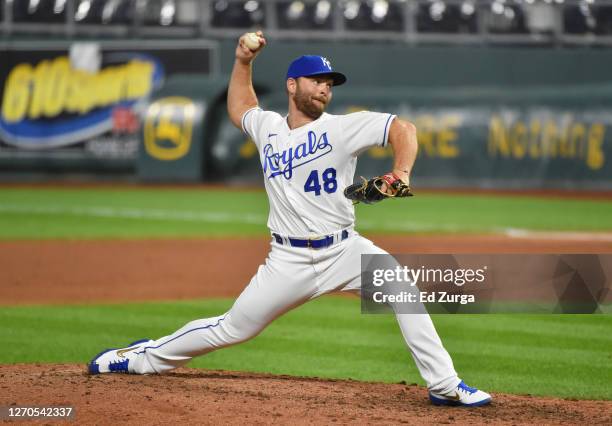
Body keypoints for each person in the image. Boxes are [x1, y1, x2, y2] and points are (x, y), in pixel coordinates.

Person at [88, 32, 492, 407]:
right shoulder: (267, 128)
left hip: (345, 250)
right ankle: (141, 358)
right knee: (232, 329)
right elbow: (241, 107)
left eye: (329, 83)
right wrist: (242, 61)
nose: (324, 88)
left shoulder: (343, 128)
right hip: (287, 261)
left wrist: (401, 172)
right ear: (292, 85)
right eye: (316, 80)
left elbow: (403, 129)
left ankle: (444, 386)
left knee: (404, 291)